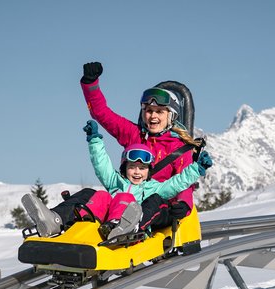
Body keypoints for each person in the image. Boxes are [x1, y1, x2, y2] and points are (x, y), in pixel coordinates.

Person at [22, 120, 213, 240]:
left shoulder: (154, 188)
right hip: (102, 225)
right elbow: (101, 165)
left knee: (152, 201)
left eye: (142, 168)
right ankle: (54, 219)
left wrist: (197, 168)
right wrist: (95, 140)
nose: (136, 172)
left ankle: (126, 226)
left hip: (134, 230)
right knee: (96, 194)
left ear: (148, 171)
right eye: (132, 167)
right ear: (124, 169)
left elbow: (177, 183)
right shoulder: (116, 183)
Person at [80, 61, 204, 232]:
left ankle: (131, 227)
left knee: (152, 202)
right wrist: (90, 84)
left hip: (157, 209)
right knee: (90, 195)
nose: (152, 116)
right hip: (125, 202)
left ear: (171, 116)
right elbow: (101, 113)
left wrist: (183, 203)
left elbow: (184, 183)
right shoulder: (134, 134)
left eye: (159, 111)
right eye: (148, 110)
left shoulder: (179, 148)